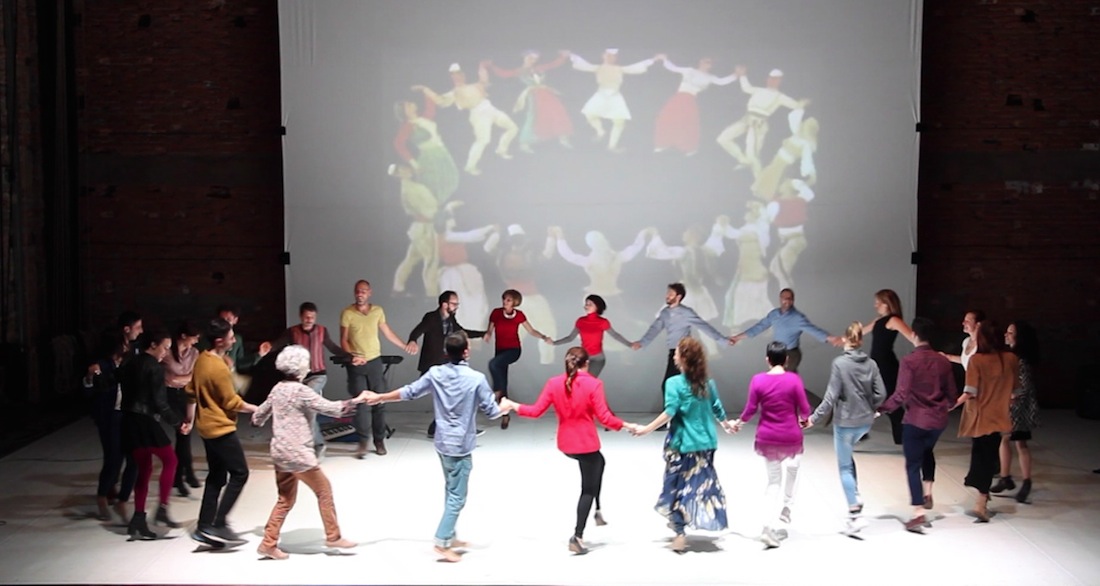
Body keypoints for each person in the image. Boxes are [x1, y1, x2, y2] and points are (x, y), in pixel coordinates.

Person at [364, 331, 509, 563]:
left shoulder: (436, 373)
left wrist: (380, 397)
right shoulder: (476, 379)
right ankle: (442, 541)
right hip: (460, 446)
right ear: (466, 352)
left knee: (450, 489)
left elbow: (409, 392)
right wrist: (506, 405)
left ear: (446, 352)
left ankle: (450, 535)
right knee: (457, 497)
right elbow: (492, 412)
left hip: (442, 443)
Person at [501, 347, 635, 554]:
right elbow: (605, 418)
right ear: (587, 364)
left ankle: (598, 511)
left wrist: (512, 405)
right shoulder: (594, 383)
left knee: (600, 463)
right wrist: (628, 425)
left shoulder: (554, 383)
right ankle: (578, 535)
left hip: (566, 445)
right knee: (587, 489)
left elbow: (535, 411)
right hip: (586, 444)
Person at [251, 345, 367, 560]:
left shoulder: (277, 389)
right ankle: (333, 536)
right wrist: (357, 401)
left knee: (285, 499)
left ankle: (268, 542)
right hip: (298, 453)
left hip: (280, 452)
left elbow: (257, 418)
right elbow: (332, 409)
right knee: (324, 490)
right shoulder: (302, 391)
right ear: (302, 369)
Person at [632, 337, 731, 553]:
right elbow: (717, 407)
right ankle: (681, 525)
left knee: (676, 485)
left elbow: (670, 411)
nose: (674, 355)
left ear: (683, 357)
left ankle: (679, 531)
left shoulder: (674, 383)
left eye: (677, 352)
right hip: (705, 444)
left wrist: (647, 429)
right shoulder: (707, 383)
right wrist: (727, 425)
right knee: (697, 485)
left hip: (682, 444)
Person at [877, 317, 958, 533]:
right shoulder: (943, 361)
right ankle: (928, 490)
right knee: (927, 450)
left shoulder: (909, 361)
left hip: (915, 420)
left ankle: (918, 512)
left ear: (914, 335)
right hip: (938, 421)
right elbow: (952, 395)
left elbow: (901, 393)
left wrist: (882, 409)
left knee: (912, 464)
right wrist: (943, 406)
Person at [804, 322, 886, 535]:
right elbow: (881, 393)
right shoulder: (871, 364)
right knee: (848, 459)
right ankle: (856, 495)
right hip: (865, 422)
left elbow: (831, 396)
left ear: (847, 340)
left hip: (846, 422)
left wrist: (814, 418)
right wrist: (872, 408)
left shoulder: (840, 364)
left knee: (844, 467)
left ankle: (855, 514)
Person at [730, 342, 812, 548]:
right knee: (793, 469)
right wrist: (806, 419)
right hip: (791, 436)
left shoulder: (758, 380)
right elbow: (804, 408)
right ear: (786, 359)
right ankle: (787, 507)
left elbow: (749, 410)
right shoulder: (794, 380)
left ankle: (767, 527)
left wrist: (738, 424)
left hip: (767, 436)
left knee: (773, 482)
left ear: (767, 359)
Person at [187, 317, 259, 548]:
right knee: (240, 473)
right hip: (220, 428)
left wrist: (190, 418)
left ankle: (203, 525)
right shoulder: (216, 366)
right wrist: (257, 409)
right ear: (220, 341)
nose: (233, 339)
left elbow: (190, 390)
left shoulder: (202, 359)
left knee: (217, 476)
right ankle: (218, 522)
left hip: (206, 428)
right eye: (230, 336)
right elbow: (231, 402)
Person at [633, 283, 734, 420]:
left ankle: (675, 418)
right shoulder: (665, 313)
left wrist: (723, 340)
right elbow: (654, 329)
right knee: (672, 384)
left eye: (670, 294)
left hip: (685, 352)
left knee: (680, 384)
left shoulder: (686, 312)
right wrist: (642, 342)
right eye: (667, 293)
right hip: (673, 353)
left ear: (678, 296)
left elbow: (704, 327)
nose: (667, 296)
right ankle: (672, 417)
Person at [117, 329, 182, 540]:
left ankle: (139, 516)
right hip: (145, 420)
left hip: (129, 419)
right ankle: (161, 507)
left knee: (143, 469)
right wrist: (177, 422)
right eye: (164, 347)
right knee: (170, 460)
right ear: (153, 345)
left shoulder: (129, 363)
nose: (166, 352)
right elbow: (160, 402)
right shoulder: (154, 367)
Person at [953, 321, 1019, 522]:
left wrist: (952, 404)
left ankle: (981, 501)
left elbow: (970, 391)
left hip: (981, 416)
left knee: (982, 457)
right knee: (988, 456)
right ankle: (983, 495)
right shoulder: (1011, 359)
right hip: (1000, 415)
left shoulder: (977, 361)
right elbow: (1015, 392)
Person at [340, 280, 411, 457]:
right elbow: (344, 340)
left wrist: (404, 345)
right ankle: (363, 440)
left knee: (379, 401)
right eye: (357, 291)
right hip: (356, 365)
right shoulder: (347, 313)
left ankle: (379, 440)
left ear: (369, 293)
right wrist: (352, 357)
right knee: (361, 404)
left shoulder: (377, 311)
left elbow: (387, 332)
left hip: (374, 362)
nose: (360, 294)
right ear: (354, 292)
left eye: (363, 291)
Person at [269, 302, 349, 459]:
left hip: (318, 375)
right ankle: (306, 444)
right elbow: (277, 344)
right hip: (297, 377)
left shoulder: (321, 331)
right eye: (306, 317)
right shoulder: (292, 332)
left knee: (307, 404)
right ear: (301, 317)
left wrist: (351, 357)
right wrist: (268, 347)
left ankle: (317, 445)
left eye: (312, 317)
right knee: (302, 411)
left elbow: (333, 347)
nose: (309, 320)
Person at [406, 290, 487, 437]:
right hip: (432, 366)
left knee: (451, 397)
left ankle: (437, 429)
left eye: (457, 304)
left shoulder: (451, 320)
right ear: (445, 304)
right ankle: (447, 429)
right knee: (449, 397)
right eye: (454, 304)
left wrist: (482, 334)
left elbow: (462, 332)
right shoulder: (431, 318)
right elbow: (418, 331)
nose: (456, 307)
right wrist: (412, 340)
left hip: (445, 365)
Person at [414, 63, 518, 176]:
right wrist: (425, 90)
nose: (457, 77)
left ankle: (501, 149)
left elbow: (484, 80)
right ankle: (470, 166)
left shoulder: (474, 85)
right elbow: (440, 100)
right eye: (453, 75)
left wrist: (482, 67)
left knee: (513, 128)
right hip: (478, 114)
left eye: (459, 74)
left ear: (463, 75)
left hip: (490, 108)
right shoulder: (454, 93)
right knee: (483, 141)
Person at [82, 329, 137, 522]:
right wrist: (90, 378)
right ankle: (102, 496)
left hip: (128, 415)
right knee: (114, 459)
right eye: (124, 343)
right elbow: (90, 393)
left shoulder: (130, 363)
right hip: (110, 417)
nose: (127, 346)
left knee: (134, 458)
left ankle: (123, 499)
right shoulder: (102, 365)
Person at [716, 67, 808, 171]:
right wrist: (742, 75)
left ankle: (758, 177)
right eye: (771, 78)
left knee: (753, 154)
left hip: (759, 124)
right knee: (723, 138)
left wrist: (803, 103)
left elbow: (796, 105)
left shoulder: (780, 96)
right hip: (746, 119)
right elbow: (746, 88)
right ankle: (743, 160)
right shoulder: (758, 90)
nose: (772, 81)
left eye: (775, 79)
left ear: (780, 81)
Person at [484, 289, 551, 429]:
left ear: (514, 302)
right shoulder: (496, 313)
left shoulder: (519, 315)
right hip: (500, 350)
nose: (505, 302)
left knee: (493, 365)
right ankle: (505, 414)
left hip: (514, 350)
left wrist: (544, 337)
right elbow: (490, 329)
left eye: (508, 300)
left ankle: (497, 393)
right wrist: (488, 335)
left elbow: (531, 331)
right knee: (502, 378)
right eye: (504, 299)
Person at [731, 288, 842, 373]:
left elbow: (814, 330)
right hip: (776, 352)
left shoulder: (798, 318)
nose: (787, 301)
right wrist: (737, 338)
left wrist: (832, 339)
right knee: (782, 378)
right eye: (785, 298)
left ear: (793, 300)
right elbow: (758, 328)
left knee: (784, 377)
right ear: (780, 299)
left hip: (791, 354)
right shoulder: (774, 314)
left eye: (790, 298)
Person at [569, 49, 659, 152]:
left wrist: (653, 60)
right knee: (589, 114)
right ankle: (600, 131)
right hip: (601, 95)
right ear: (603, 56)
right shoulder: (598, 68)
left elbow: (636, 67)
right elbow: (582, 64)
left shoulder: (619, 69)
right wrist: (571, 55)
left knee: (619, 122)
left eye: (614, 56)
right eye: (609, 55)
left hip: (615, 96)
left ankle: (612, 146)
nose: (612, 58)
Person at [485, 50, 574, 152]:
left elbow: (553, 64)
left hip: (547, 94)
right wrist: (491, 66)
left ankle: (563, 138)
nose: (532, 60)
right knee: (533, 115)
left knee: (558, 112)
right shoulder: (519, 71)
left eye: (535, 59)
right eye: (530, 58)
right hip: (534, 96)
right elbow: (504, 74)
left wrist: (563, 56)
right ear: (525, 57)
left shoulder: (539, 68)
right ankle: (525, 143)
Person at [991, 320, 1040, 503]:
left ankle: (1025, 480)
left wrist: (1011, 397)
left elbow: (1024, 386)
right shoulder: (1012, 356)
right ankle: (1005, 477)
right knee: (1006, 439)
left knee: (1019, 443)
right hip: (1010, 405)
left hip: (1018, 408)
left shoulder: (1020, 359)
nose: (1006, 335)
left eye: (1010, 333)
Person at [652, 55, 738, 155]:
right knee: (665, 118)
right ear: (700, 61)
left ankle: (688, 147)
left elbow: (722, 81)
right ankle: (663, 143)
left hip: (690, 100)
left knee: (688, 123)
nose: (707, 63)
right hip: (679, 97)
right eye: (705, 60)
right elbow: (673, 68)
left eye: (710, 62)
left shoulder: (710, 77)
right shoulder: (689, 70)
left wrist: (735, 75)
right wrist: (664, 59)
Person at [863, 289, 916, 445]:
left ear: (887, 304)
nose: (875, 305)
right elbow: (861, 331)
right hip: (876, 365)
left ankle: (903, 437)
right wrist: (842, 339)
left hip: (886, 365)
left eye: (878, 302)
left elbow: (913, 337)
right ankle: (862, 432)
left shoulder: (894, 320)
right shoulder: (879, 320)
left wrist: (924, 351)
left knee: (891, 403)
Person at [394, 90, 459, 202]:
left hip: (442, 153)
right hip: (429, 157)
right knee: (434, 184)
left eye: (410, 103)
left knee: (450, 179)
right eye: (408, 105)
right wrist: (414, 163)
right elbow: (398, 144)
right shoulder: (408, 126)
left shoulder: (424, 118)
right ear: (405, 112)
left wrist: (425, 90)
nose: (411, 104)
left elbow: (431, 107)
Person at [162, 320, 201, 497]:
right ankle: (182, 476)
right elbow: (169, 379)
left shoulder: (195, 353)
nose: (196, 341)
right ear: (184, 336)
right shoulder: (168, 352)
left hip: (188, 394)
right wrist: (184, 378)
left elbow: (195, 376)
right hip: (171, 395)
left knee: (186, 433)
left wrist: (182, 378)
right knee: (182, 433)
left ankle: (182, 476)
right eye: (194, 337)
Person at [389, 162, 440, 298]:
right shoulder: (410, 189)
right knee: (431, 261)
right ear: (398, 174)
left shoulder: (413, 187)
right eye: (402, 170)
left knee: (411, 259)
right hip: (424, 228)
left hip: (422, 227)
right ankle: (432, 294)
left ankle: (398, 288)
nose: (406, 171)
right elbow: (429, 209)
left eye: (406, 168)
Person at [551, 295, 632, 378]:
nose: (586, 306)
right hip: (583, 357)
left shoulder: (603, 322)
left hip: (598, 359)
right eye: (586, 304)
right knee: (578, 380)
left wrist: (630, 344)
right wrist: (554, 343)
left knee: (588, 380)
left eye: (590, 304)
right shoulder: (581, 321)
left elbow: (615, 335)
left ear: (597, 306)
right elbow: (570, 338)